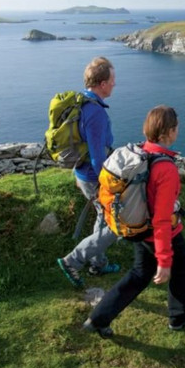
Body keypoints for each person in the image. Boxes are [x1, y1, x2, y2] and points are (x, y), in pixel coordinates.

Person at [82, 105, 185, 338]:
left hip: (138, 228)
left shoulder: (140, 153)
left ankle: (98, 318)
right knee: (182, 273)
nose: (177, 132)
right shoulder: (165, 168)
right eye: (176, 128)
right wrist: (164, 260)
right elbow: (163, 218)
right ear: (168, 132)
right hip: (162, 234)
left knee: (139, 274)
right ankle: (179, 318)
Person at [56, 57, 121, 288]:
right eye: (112, 80)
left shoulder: (83, 104)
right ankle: (73, 260)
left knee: (102, 218)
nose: (114, 84)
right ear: (102, 83)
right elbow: (96, 155)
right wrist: (106, 183)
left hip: (83, 174)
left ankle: (99, 264)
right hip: (95, 177)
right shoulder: (96, 113)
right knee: (114, 226)